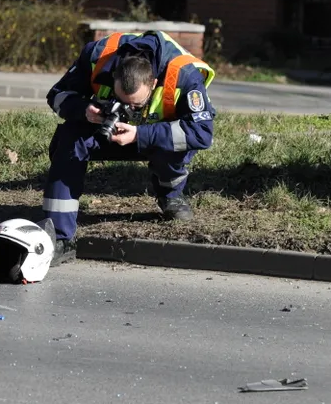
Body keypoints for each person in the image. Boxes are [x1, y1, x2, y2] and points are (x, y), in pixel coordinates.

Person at [43, 30, 216, 263]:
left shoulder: (184, 74)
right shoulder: (97, 56)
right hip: (105, 132)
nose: (128, 110)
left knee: (174, 144)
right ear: (113, 74)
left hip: (152, 137)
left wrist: (140, 133)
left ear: (153, 83)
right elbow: (57, 94)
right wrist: (83, 109)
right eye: (121, 101)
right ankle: (61, 238)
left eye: (135, 104)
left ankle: (170, 196)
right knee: (69, 139)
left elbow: (202, 133)